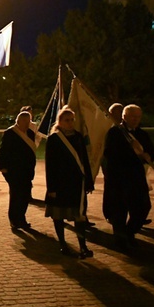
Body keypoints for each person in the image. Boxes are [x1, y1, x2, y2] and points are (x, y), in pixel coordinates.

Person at [102, 104, 154, 249]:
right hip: (119, 179)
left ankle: (129, 232)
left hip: (137, 179)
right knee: (119, 212)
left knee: (143, 207)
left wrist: (148, 155)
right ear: (124, 117)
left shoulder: (142, 134)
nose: (135, 119)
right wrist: (133, 155)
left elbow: (151, 152)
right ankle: (120, 240)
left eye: (138, 116)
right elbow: (110, 154)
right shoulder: (115, 133)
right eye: (132, 116)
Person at [45, 107, 95, 258]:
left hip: (76, 184)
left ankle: (83, 246)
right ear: (60, 122)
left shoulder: (78, 136)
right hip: (60, 183)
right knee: (59, 216)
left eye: (72, 120)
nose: (70, 123)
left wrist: (89, 181)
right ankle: (63, 244)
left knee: (79, 217)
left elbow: (85, 160)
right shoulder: (54, 139)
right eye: (67, 120)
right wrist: (51, 188)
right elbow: (50, 165)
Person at [0, 111, 37, 229]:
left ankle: (22, 218)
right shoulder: (10, 133)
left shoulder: (30, 133)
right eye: (24, 121)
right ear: (18, 121)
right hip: (13, 170)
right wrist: (3, 167)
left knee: (25, 196)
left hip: (26, 171)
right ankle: (14, 220)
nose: (26, 124)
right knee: (15, 196)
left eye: (28, 121)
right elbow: (3, 151)